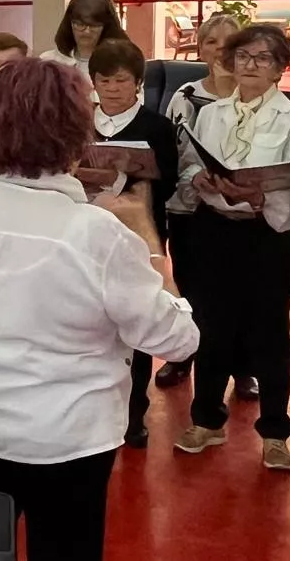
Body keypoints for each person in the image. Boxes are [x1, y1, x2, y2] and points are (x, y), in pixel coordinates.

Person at [0, 58, 197, 561]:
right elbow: (176, 338)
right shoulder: (95, 233)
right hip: (64, 439)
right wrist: (148, 238)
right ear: (72, 132)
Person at [173, 26, 290, 472]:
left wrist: (261, 197)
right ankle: (207, 419)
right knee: (212, 328)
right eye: (244, 57)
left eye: (264, 58)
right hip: (215, 231)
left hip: (266, 237)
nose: (251, 66)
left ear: (279, 69)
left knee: (270, 334)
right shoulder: (212, 113)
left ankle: (275, 432)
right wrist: (198, 178)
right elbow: (190, 162)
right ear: (230, 63)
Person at [158, 13, 258, 398]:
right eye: (211, 41)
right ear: (200, 49)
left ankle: (242, 366)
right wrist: (193, 177)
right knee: (191, 285)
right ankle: (184, 353)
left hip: (242, 211)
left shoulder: (254, 96)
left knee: (242, 289)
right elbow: (173, 151)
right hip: (190, 207)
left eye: (228, 41)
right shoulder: (185, 96)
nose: (220, 49)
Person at [88, 37, 179, 447]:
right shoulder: (80, 123)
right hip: (87, 232)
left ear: (138, 83)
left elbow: (172, 182)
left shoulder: (156, 127)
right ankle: (96, 403)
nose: (112, 89)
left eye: (121, 81)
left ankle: (135, 411)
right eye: (104, 80)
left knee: (136, 317)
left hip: (138, 235)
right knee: (92, 319)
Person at [41, 0, 127, 80]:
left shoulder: (125, 63)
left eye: (94, 25)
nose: (87, 31)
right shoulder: (48, 61)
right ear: (69, 24)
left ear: (106, 27)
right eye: (80, 24)